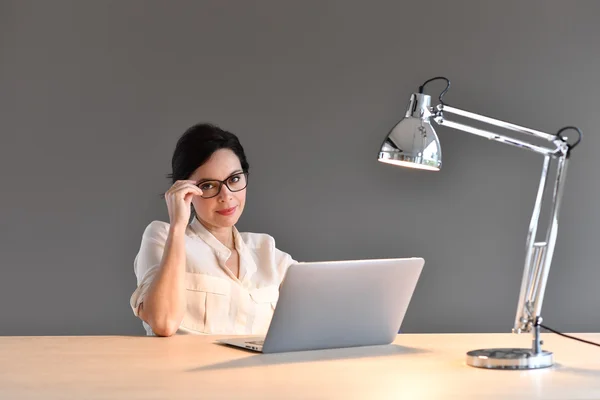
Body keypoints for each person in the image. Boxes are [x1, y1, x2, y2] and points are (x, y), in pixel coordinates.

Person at [130, 123, 296, 336]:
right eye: (208, 185)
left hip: (258, 369)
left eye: (234, 179)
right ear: (185, 190)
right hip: (183, 369)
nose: (226, 196)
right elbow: (163, 322)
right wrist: (178, 226)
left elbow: (325, 301)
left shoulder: (267, 251)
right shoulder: (163, 237)